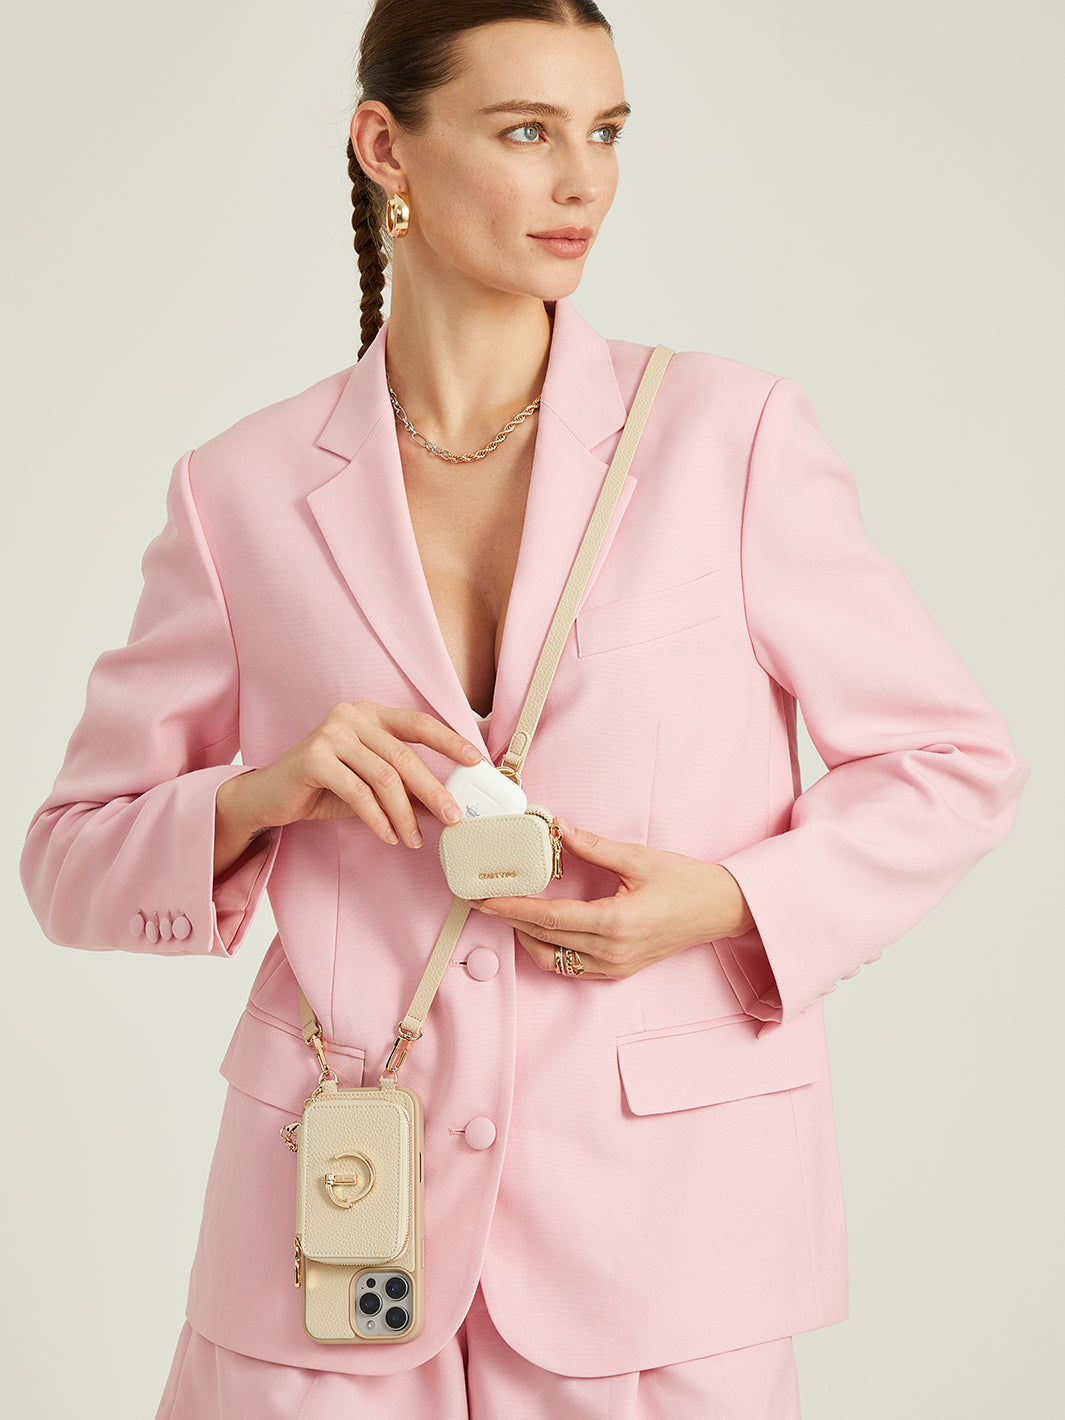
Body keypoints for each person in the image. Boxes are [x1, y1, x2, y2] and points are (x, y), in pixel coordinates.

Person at [19, 1, 1029, 1416]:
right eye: (525, 132)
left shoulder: (727, 438)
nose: (581, 182)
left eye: (604, 133)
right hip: (335, 1237)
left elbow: (946, 760)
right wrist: (263, 794)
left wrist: (729, 902)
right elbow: (66, 861)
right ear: (386, 148)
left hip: (663, 1251)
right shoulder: (239, 490)